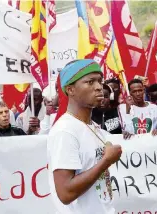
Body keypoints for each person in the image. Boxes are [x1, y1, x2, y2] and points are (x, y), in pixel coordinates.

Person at [47, 59, 122, 214]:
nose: (98, 87)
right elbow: (65, 193)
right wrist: (106, 160)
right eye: (90, 82)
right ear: (70, 90)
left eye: (100, 81)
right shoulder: (65, 131)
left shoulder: (92, 126)